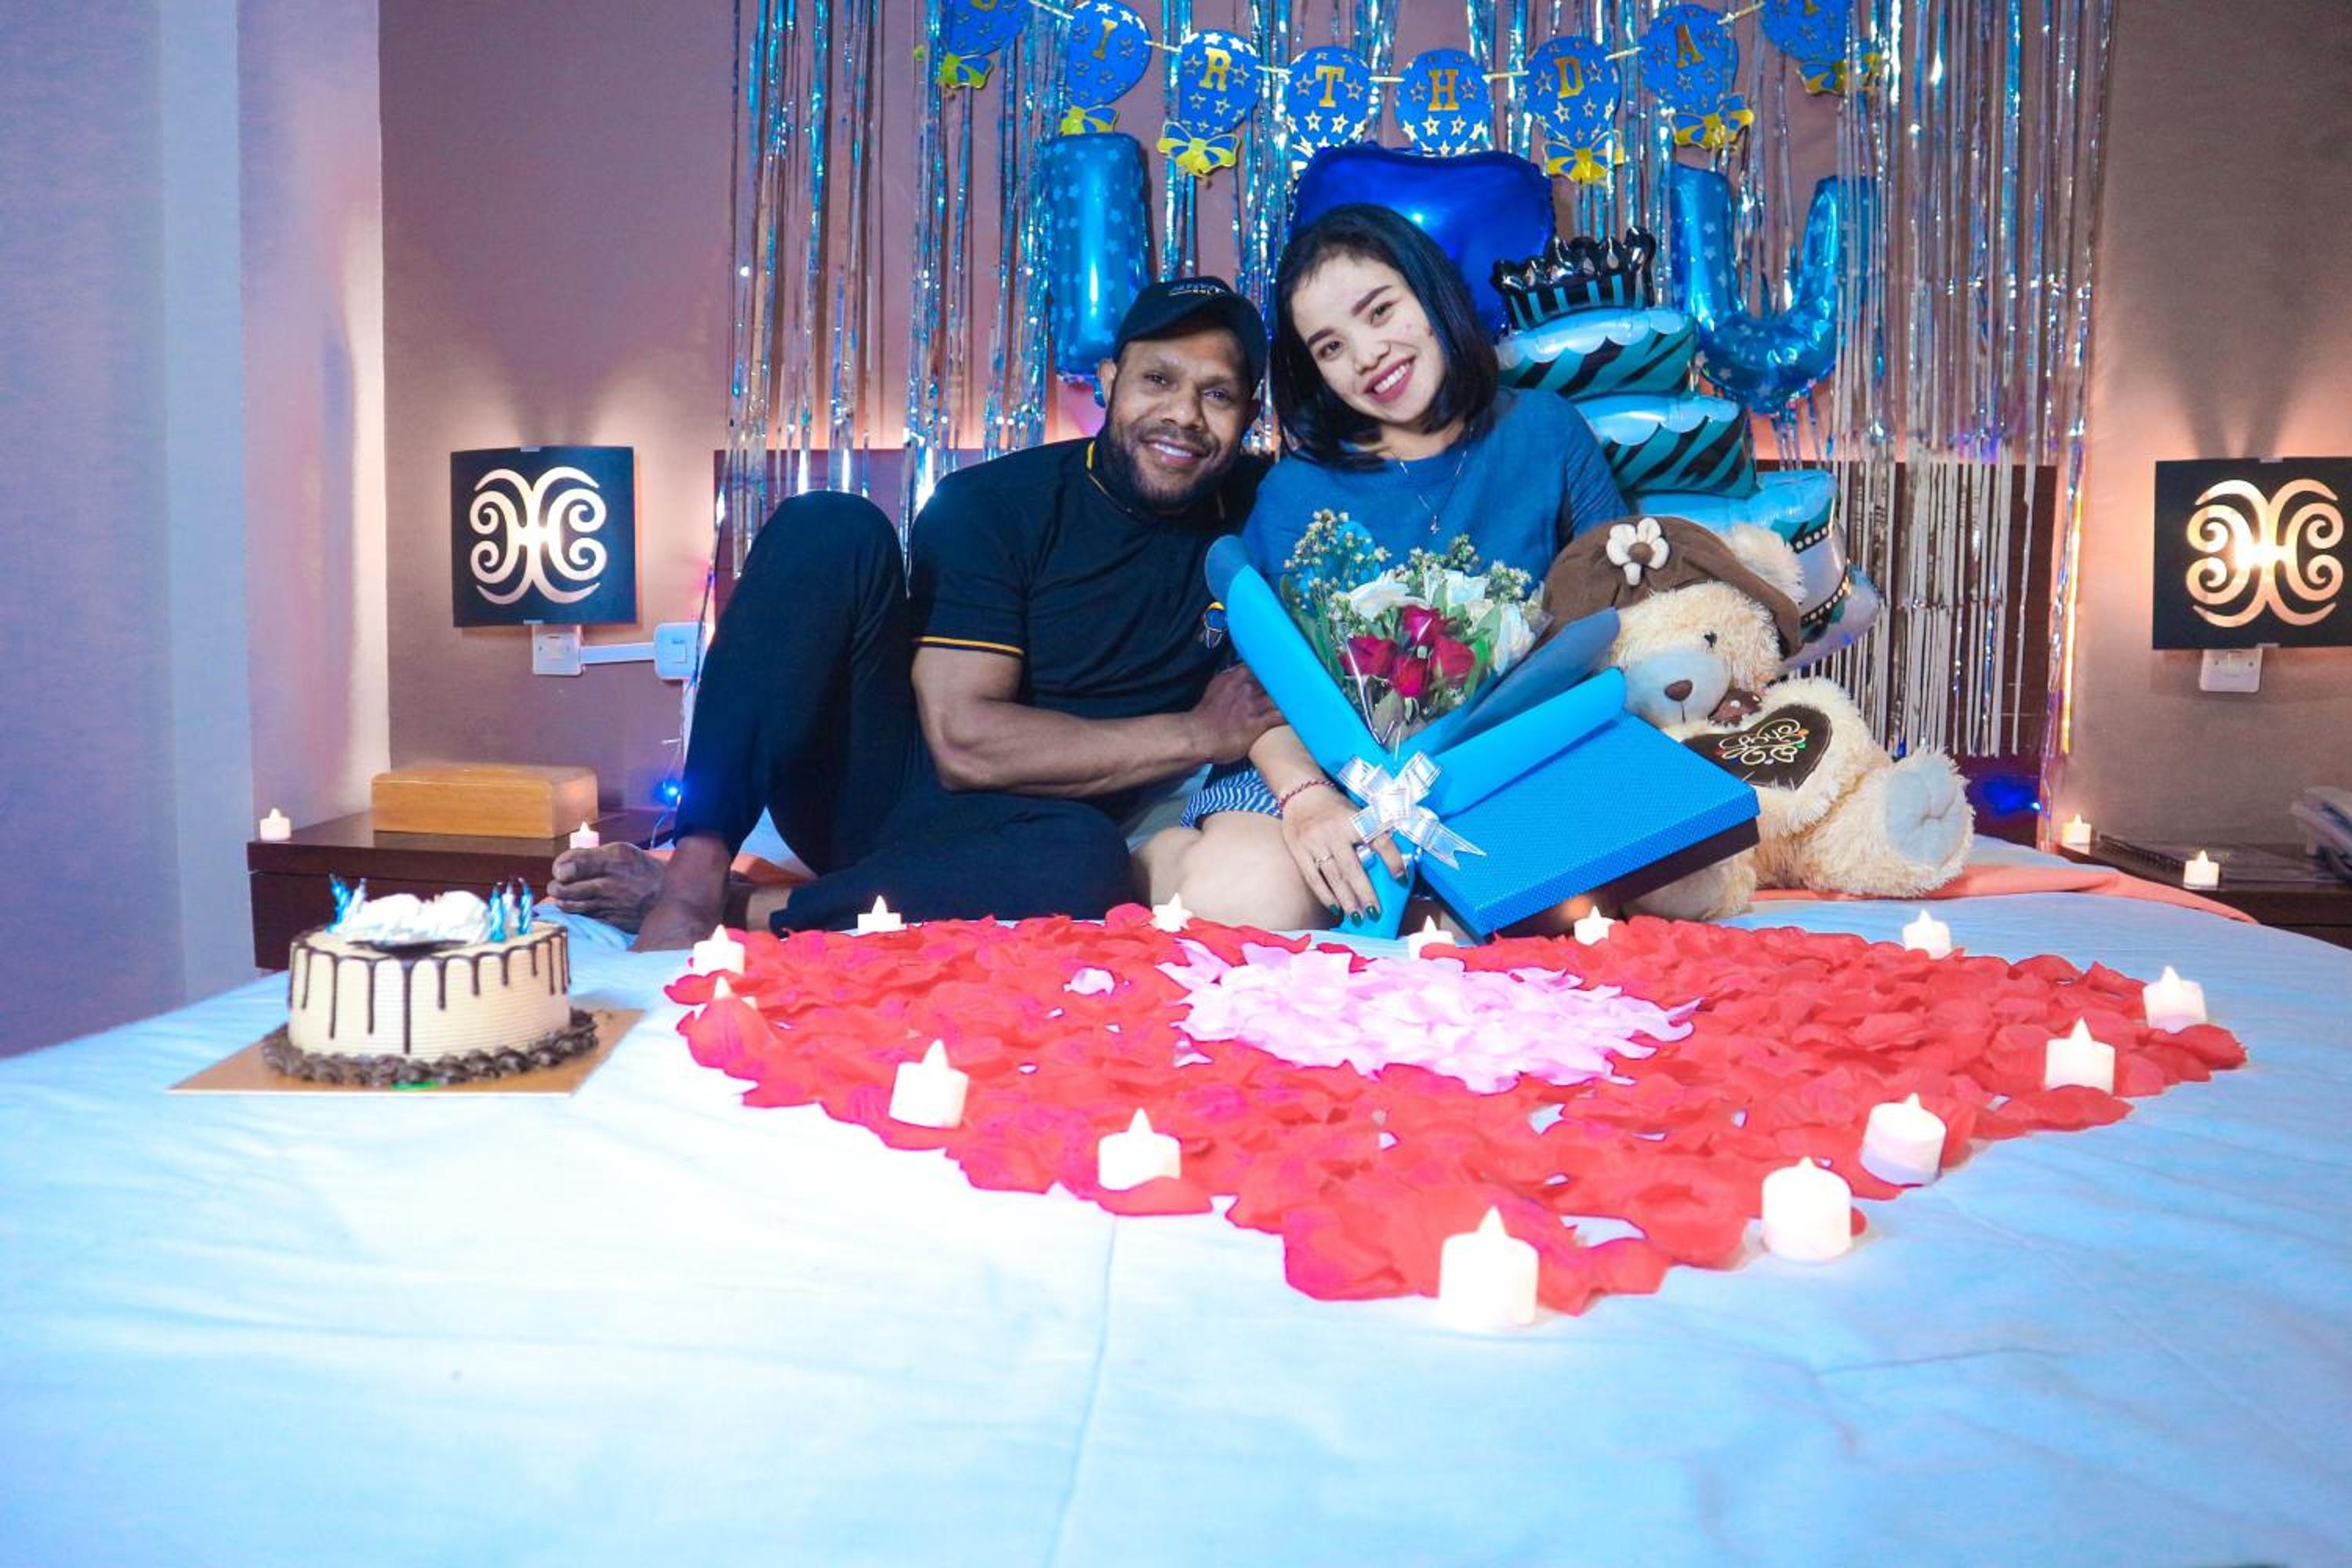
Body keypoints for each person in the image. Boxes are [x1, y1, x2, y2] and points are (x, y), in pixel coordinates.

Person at [550, 278, 1281, 948]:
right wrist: (1197, 733)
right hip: (878, 788)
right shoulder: (996, 505)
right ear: (1110, 380)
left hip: (1029, 834)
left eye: (1217, 395)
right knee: (828, 525)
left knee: (1090, 864)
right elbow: (965, 745)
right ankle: (692, 882)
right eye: (1158, 380)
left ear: (1249, 416)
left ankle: (755, 910)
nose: (1184, 415)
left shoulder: (1263, 509)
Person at [1137, 205, 1628, 931]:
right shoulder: (1296, 491)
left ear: (1431, 293)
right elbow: (1254, 686)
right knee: (1249, 896)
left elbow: (1618, 604)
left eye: (1380, 311)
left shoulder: (1544, 430)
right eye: (1331, 347)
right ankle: (1151, 849)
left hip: (1495, 769)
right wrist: (1307, 800)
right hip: (1312, 774)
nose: (1367, 355)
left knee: (1565, 907)